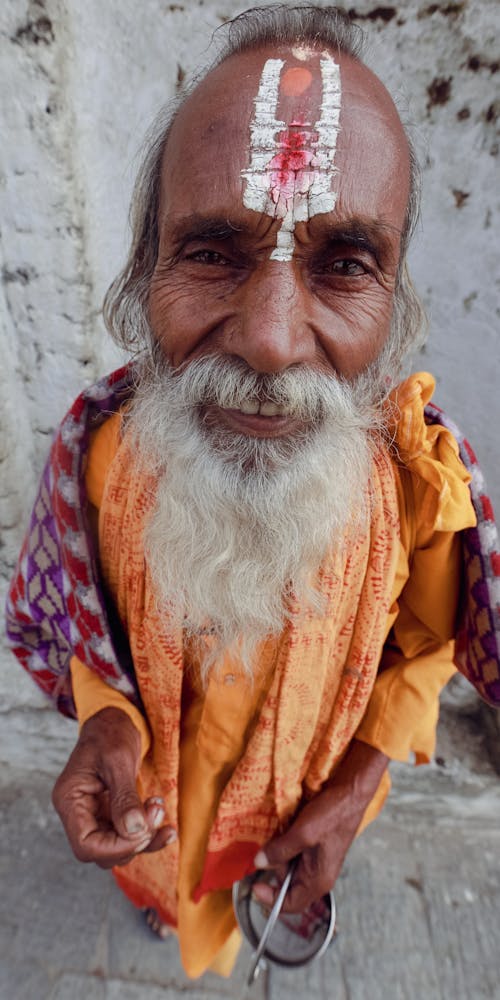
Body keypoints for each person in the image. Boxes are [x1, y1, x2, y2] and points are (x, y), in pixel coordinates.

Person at [6, 3, 489, 980]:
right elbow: (87, 629)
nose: (270, 340)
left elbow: (423, 650)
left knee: (285, 867)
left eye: (343, 262)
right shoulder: (97, 459)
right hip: (160, 814)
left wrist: (354, 789)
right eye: (213, 251)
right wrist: (108, 721)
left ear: (392, 307)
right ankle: (174, 904)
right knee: (161, 890)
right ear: (143, 278)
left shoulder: (414, 483)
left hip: (301, 813)